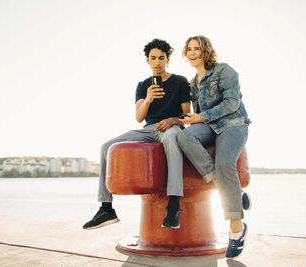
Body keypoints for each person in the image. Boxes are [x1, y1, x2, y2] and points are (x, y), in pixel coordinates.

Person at [83, 39, 190, 230]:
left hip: (171, 127)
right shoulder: (142, 85)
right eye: (153, 58)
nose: (157, 62)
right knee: (107, 146)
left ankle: (173, 205)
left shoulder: (180, 81)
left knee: (172, 140)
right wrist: (148, 99)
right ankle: (106, 208)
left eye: (161, 58)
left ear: (168, 59)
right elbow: (139, 117)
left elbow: (185, 114)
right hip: (148, 129)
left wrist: (173, 120)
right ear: (147, 60)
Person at [177, 35, 251, 259]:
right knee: (184, 138)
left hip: (233, 123)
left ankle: (237, 230)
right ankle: (230, 189)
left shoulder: (224, 70)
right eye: (189, 49)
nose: (192, 52)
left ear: (206, 51)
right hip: (209, 125)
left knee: (224, 164)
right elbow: (194, 113)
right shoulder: (193, 82)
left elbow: (232, 103)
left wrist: (201, 117)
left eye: (197, 48)